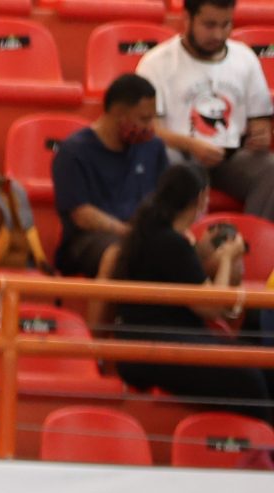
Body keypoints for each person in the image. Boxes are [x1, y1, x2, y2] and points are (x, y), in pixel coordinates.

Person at [95, 163, 274, 423]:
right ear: (201, 197)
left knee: (264, 368)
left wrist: (201, 256)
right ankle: (262, 452)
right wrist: (226, 258)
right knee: (249, 378)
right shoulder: (170, 242)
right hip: (152, 350)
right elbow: (212, 306)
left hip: (158, 345)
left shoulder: (158, 235)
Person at [137, 0, 274, 221]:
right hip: (180, 153)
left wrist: (261, 134)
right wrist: (192, 145)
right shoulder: (156, 63)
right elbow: (150, 129)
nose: (219, 35)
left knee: (271, 169)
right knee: (167, 161)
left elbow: (260, 120)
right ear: (188, 19)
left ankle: (253, 244)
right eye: (209, 25)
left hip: (232, 155)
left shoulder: (246, 58)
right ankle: (181, 247)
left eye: (226, 24)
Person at [54, 75, 169, 279]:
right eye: (144, 119)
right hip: (89, 240)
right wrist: (131, 234)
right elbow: (82, 215)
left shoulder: (153, 147)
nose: (151, 126)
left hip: (143, 235)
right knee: (121, 254)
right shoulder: (73, 152)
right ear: (118, 114)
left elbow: (166, 199)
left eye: (153, 118)